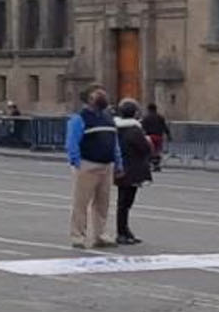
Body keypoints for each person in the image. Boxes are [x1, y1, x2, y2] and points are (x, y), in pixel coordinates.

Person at [65, 85, 119, 250]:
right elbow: (72, 141)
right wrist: (76, 161)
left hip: (106, 165)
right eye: (98, 93)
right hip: (87, 164)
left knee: (103, 203)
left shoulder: (108, 117)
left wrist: (118, 162)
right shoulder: (79, 119)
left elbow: (114, 142)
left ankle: (100, 235)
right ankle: (78, 236)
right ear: (89, 98)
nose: (103, 95)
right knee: (81, 203)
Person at [111, 98, 154, 246]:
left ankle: (124, 231)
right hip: (132, 169)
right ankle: (121, 232)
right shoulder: (134, 130)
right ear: (134, 113)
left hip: (121, 167)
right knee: (125, 203)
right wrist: (148, 142)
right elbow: (145, 149)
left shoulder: (116, 128)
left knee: (123, 202)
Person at [142, 102, 172, 171]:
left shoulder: (146, 118)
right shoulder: (160, 117)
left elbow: (143, 128)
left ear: (148, 109)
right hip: (159, 136)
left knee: (149, 151)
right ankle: (157, 165)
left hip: (149, 136)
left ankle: (150, 164)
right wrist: (168, 135)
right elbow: (165, 127)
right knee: (157, 151)